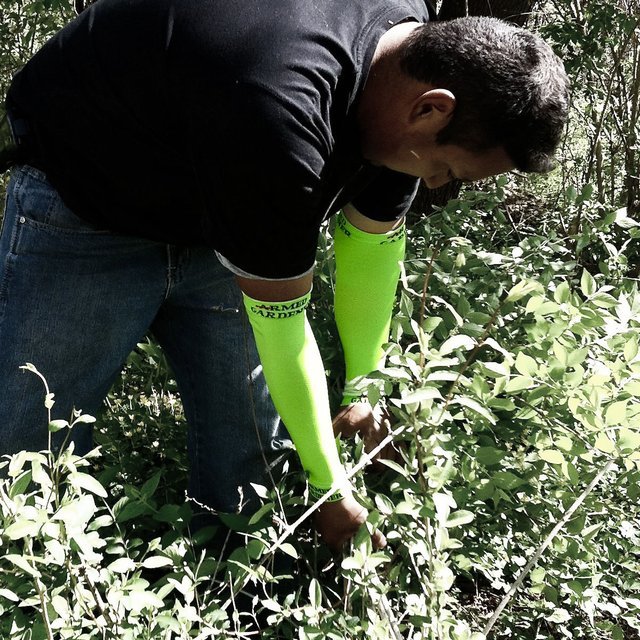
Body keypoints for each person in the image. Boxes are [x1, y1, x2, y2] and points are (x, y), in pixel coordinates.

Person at [0, 0, 569, 550]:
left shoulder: (408, 62)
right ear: (431, 109)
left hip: (220, 196)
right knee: (28, 444)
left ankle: (232, 584)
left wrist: (366, 388)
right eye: (447, 169)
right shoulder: (276, 109)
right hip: (85, 202)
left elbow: (371, 245)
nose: (440, 184)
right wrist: (328, 487)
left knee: (249, 448)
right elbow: (283, 325)